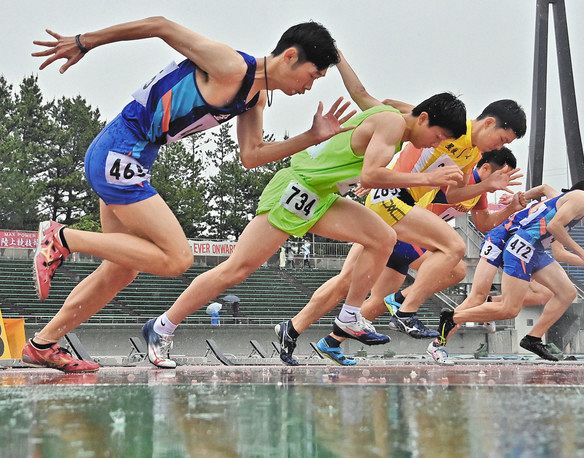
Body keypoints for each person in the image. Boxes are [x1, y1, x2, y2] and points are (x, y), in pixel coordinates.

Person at [24, 17, 352, 373]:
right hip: (120, 150)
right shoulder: (229, 65)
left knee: (119, 271)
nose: (309, 86)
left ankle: (43, 343)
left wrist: (311, 137)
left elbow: (251, 155)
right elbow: (160, 26)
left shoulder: (254, 97)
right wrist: (83, 41)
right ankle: (61, 238)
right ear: (290, 56)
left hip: (134, 157)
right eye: (313, 76)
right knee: (177, 258)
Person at [141, 65, 468, 368]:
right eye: (437, 137)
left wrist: (339, 57)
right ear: (423, 119)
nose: (434, 146)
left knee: (383, 238)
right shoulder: (394, 124)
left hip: (322, 195)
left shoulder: (396, 111)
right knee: (235, 269)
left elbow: (362, 92)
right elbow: (371, 176)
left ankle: (350, 316)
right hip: (296, 191)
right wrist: (428, 179)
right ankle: (161, 326)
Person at [273, 51, 526, 365]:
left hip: (404, 210)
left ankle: (296, 330)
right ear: (488, 123)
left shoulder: (472, 156)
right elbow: (381, 102)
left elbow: (451, 194)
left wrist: (486, 187)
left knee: (349, 284)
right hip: (392, 197)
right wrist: (339, 60)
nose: (499, 147)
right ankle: (405, 306)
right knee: (453, 249)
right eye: (501, 139)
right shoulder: (443, 122)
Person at [433, 176, 584, 362]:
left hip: (534, 249)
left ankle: (533, 338)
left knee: (567, 292)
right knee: (507, 308)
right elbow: (554, 226)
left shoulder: (573, 205)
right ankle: (452, 317)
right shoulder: (580, 198)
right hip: (520, 244)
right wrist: (582, 252)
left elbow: (546, 198)